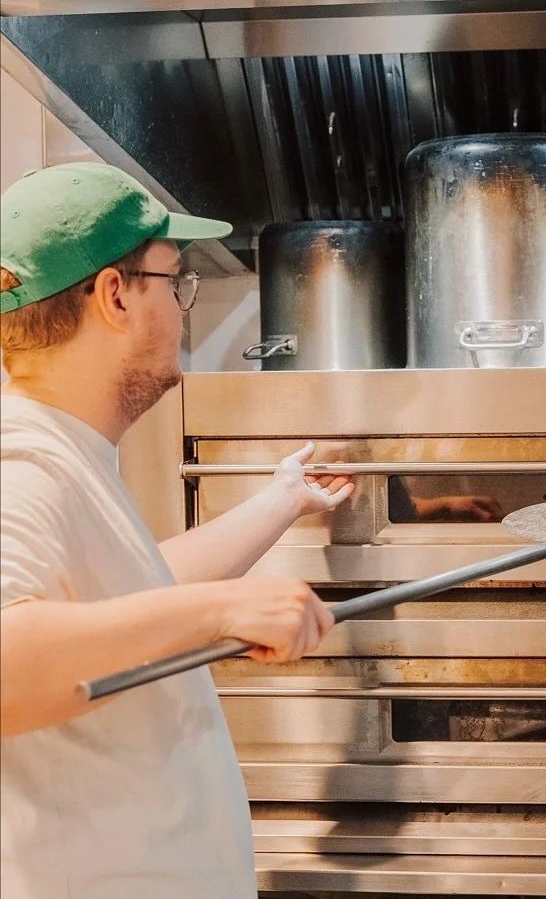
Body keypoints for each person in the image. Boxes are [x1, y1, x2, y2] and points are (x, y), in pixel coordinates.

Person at [0, 163, 354, 898]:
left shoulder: (68, 451)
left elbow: (130, 595)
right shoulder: (23, 461)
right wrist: (220, 611)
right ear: (116, 295)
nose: (182, 307)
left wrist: (281, 500)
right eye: (175, 281)